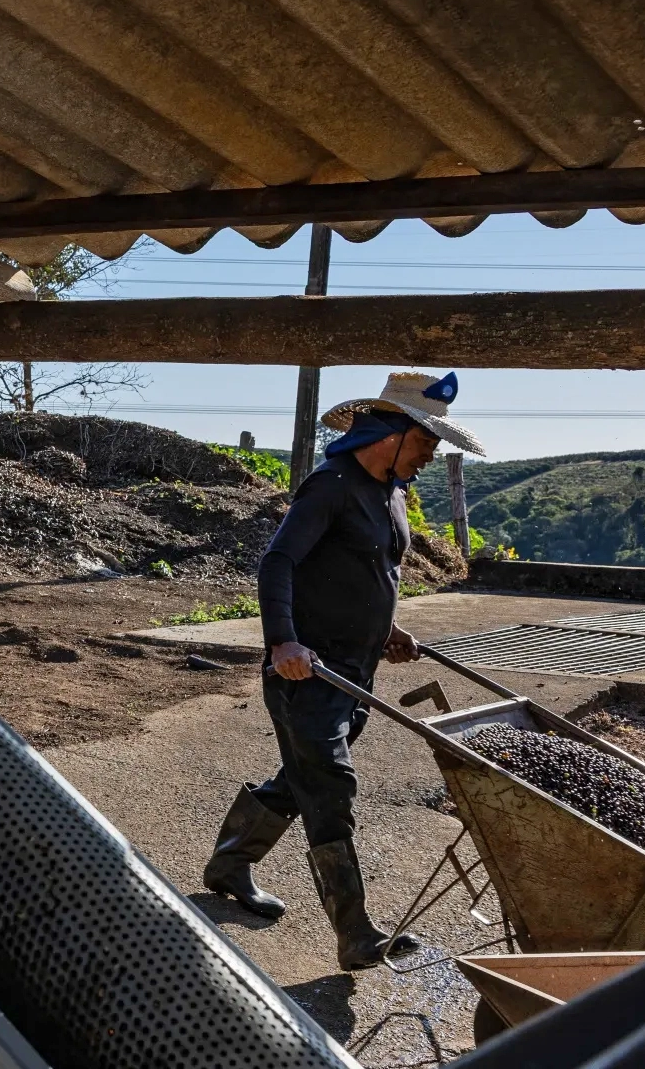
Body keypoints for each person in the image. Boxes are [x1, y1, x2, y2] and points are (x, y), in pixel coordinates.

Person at [200, 371, 486, 970]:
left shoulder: (393, 493)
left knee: (304, 777)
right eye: (427, 442)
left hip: (353, 675)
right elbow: (278, 564)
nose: (432, 456)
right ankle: (356, 933)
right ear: (390, 434)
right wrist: (283, 642)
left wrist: (386, 632)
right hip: (306, 673)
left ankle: (229, 863)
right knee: (329, 786)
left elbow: (369, 575)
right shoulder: (329, 487)